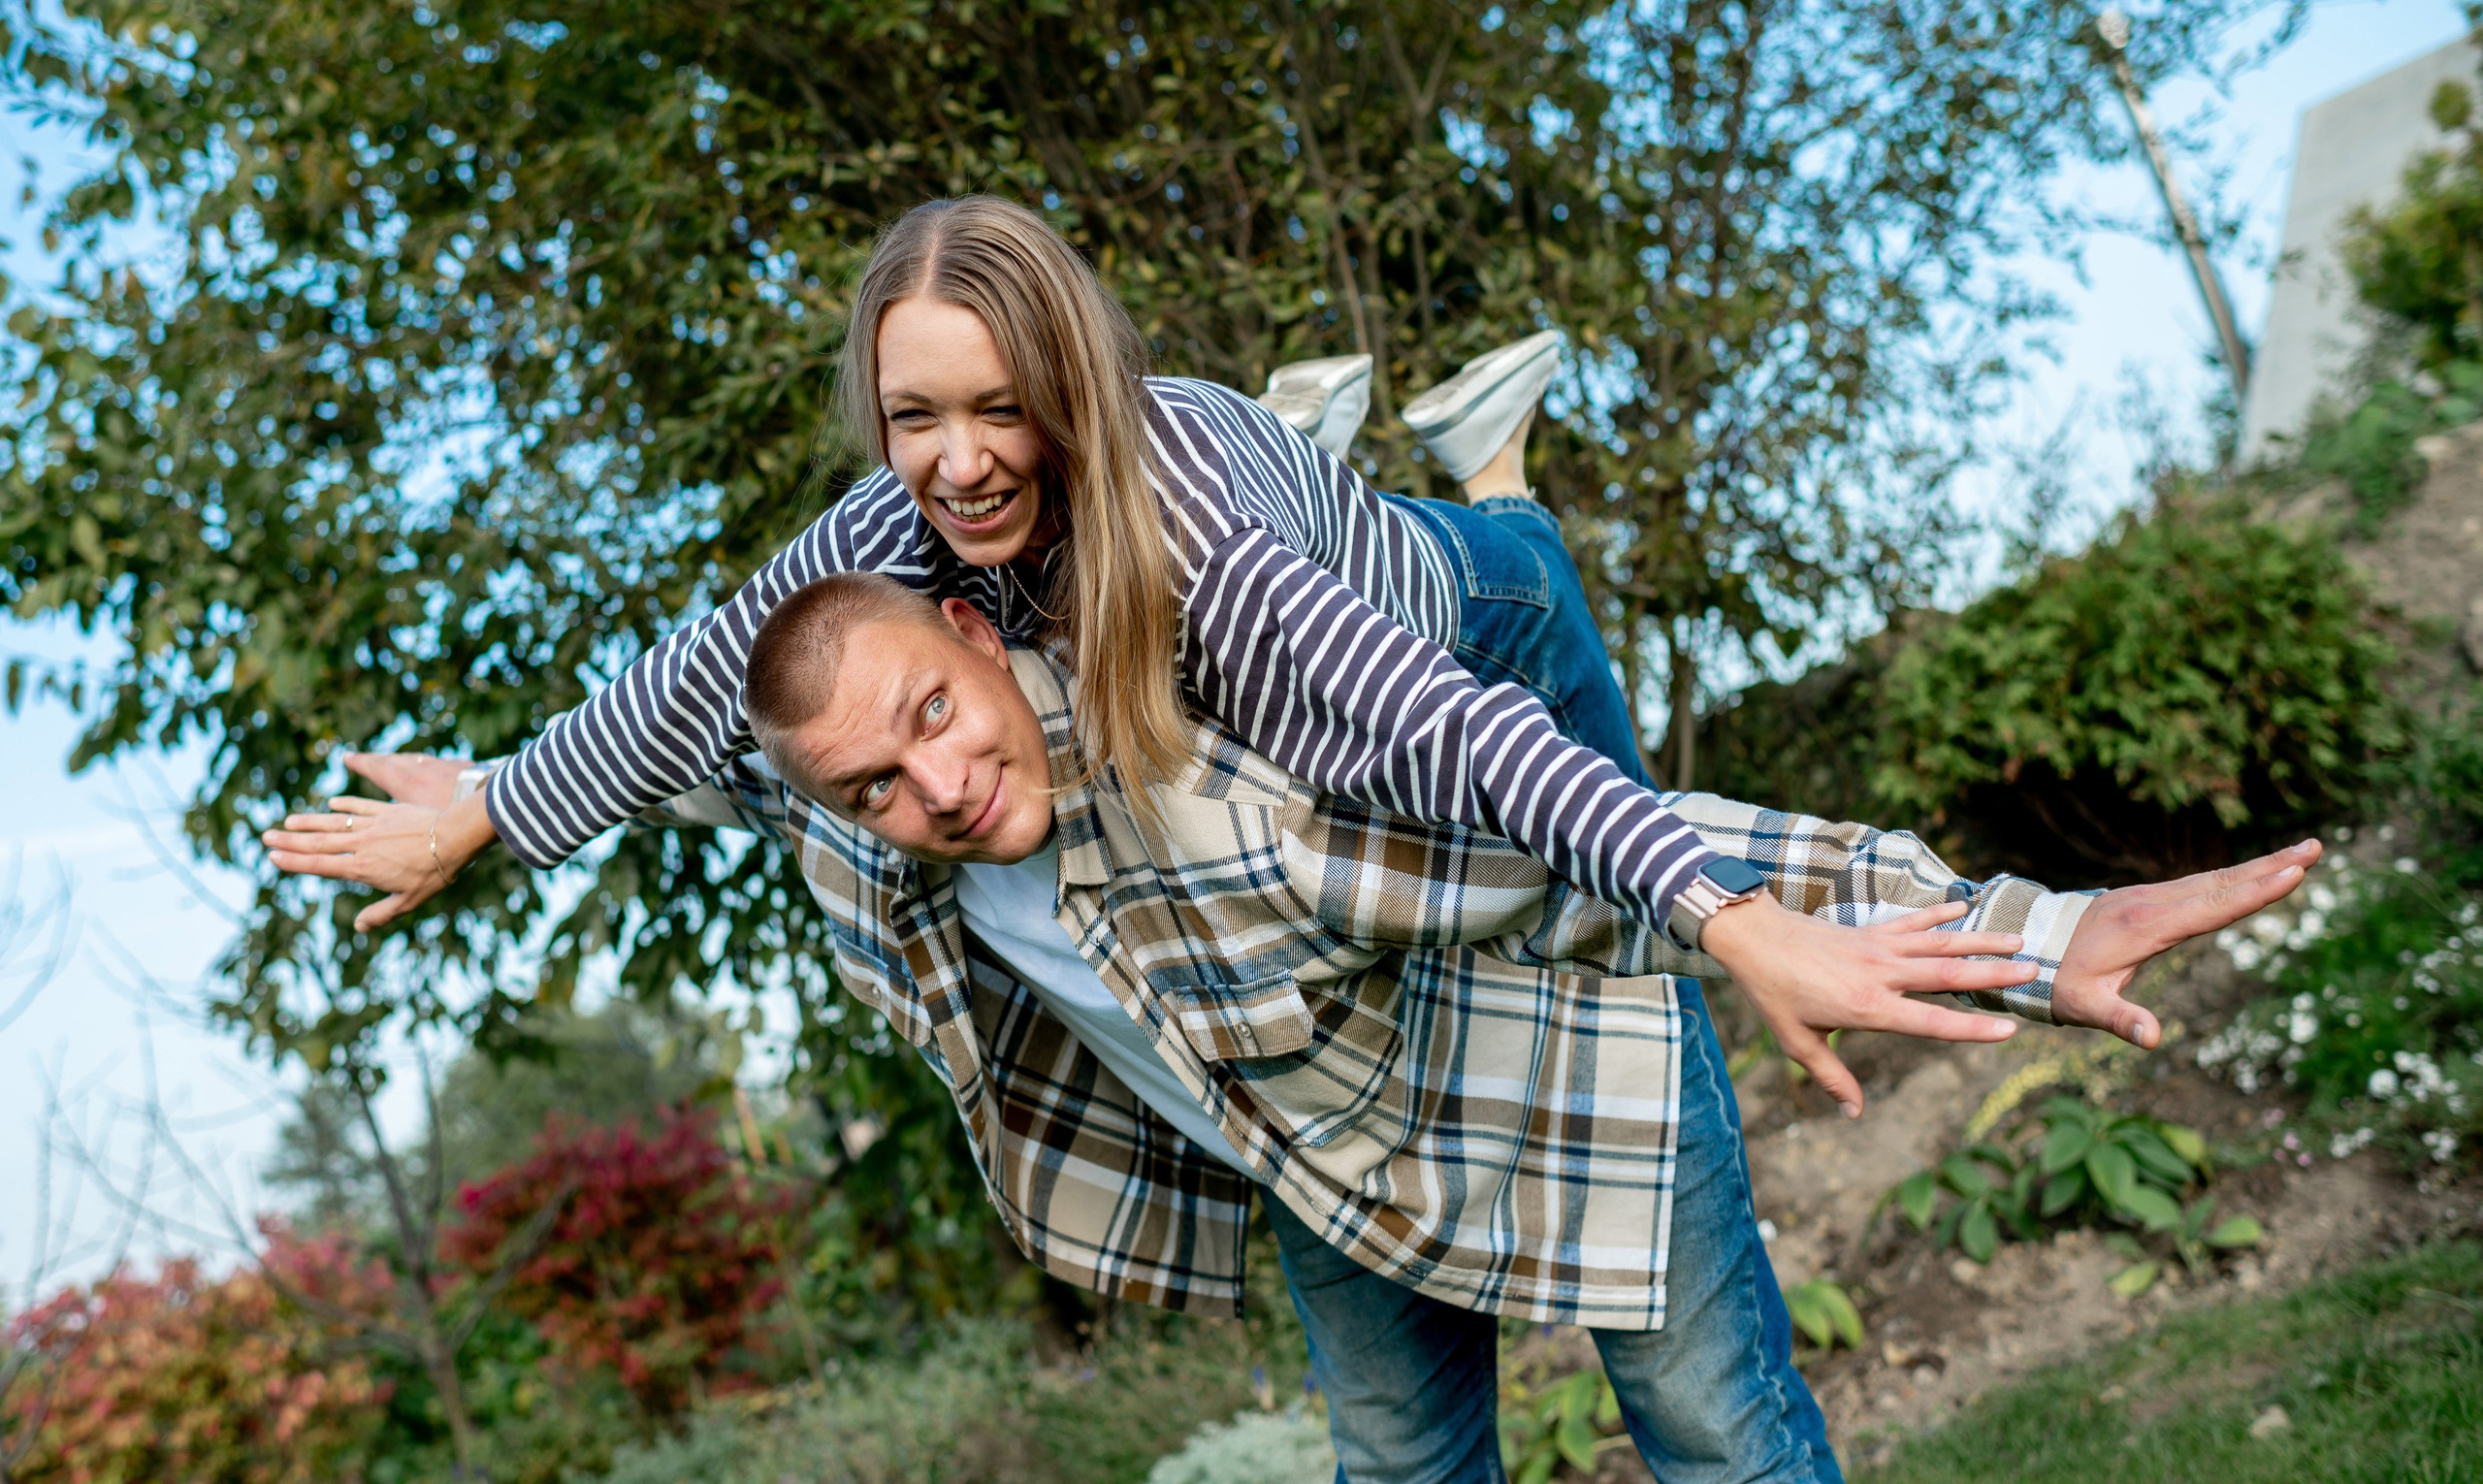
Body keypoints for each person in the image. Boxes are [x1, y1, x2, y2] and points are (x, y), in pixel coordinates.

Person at [264, 573, 2320, 1484]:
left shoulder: (1215, 793)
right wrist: (488, 805)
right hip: (1327, 1153)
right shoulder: (848, 803)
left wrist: (2031, 927)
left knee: (1715, 1430)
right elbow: (698, 754)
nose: (935, 788)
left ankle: (1458, 502)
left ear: (982, 634)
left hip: (1529, 1034)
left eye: (939, 719)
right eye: (871, 781)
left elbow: (1597, 844)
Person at [308, 192, 2071, 1113]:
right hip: (1248, 587)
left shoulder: (1200, 548)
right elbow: (700, 684)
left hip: (1450, 603)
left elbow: (1452, 732)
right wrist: (484, 811)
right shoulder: (887, 532)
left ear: (1071, 381)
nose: (957, 462)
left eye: (1001, 408)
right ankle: (1317, 431)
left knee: (1527, 679)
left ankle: (1491, 460)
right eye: (916, 418)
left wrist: (1733, 917)